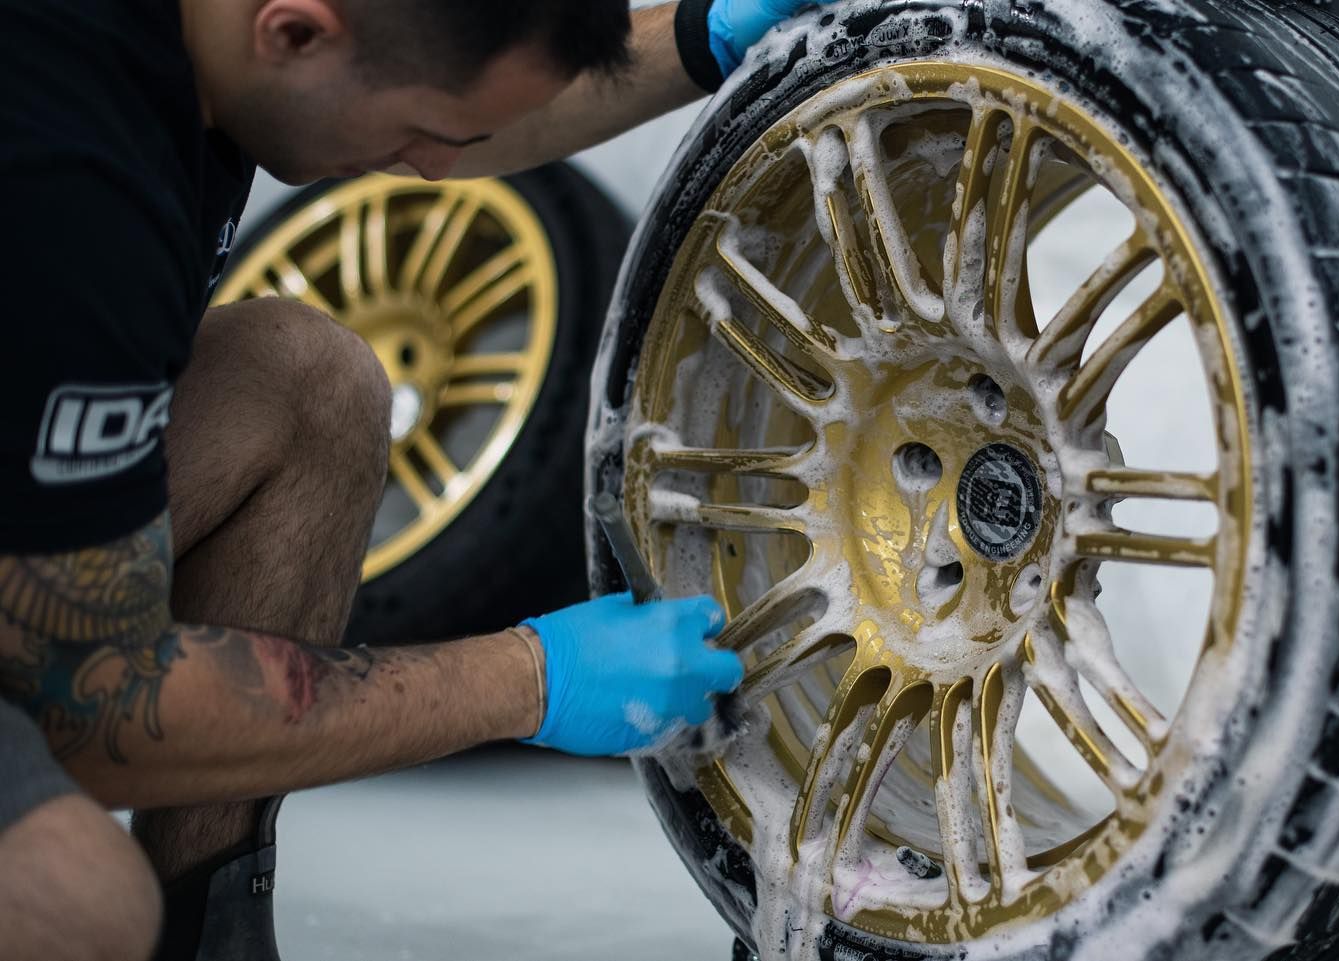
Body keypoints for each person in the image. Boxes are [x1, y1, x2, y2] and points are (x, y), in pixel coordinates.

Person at [0, 0, 835, 959]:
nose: (433, 169)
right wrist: (528, 679)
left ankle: (208, 937)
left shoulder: (226, 47)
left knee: (308, 382)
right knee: (68, 903)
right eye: (419, 135)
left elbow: (439, 96)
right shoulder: (66, 169)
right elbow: (94, 707)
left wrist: (698, 38)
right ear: (297, 33)